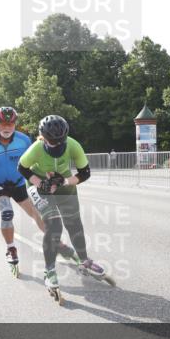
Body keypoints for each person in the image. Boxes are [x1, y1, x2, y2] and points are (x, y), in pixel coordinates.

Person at [0, 106, 76, 274]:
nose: (6, 127)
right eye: (2, 123)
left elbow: (35, 159)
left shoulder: (23, 140)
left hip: (18, 183)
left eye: (10, 123)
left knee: (37, 212)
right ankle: (11, 248)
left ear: (15, 124)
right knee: (7, 213)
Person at [18, 114, 104, 298]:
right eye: (51, 142)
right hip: (39, 186)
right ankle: (49, 271)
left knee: (74, 223)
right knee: (54, 225)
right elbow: (22, 168)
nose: (56, 145)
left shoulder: (73, 145)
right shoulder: (36, 149)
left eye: (60, 142)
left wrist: (65, 181)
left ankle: (84, 260)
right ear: (43, 138)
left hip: (64, 182)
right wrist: (40, 183)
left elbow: (85, 173)